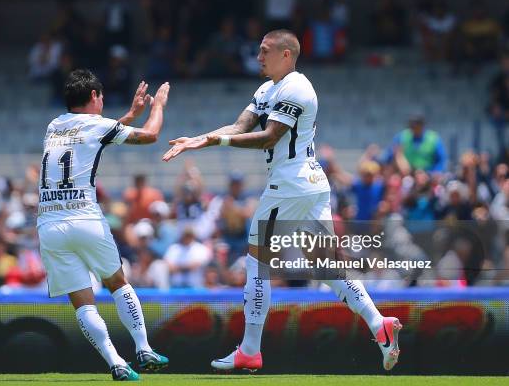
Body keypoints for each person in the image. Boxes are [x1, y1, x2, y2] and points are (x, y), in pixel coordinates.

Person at [163, 29, 401, 372]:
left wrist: (215, 143)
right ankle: (379, 324)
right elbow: (239, 125)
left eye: (264, 51)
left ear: (286, 54)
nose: (258, 57)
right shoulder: (266, 89)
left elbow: (268, 137)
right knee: (325, 266)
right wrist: (201, 139)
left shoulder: (297, 88)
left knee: (257, 259)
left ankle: (249, 350)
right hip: (311, 185)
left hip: (290, 183)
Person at [36, 69, 170, 381]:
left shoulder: (54, 126)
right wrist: (157, 107)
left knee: (81, 300)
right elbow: (149, 136)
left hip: (50, 224)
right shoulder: (97, 125)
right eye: (102, 97)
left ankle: (116, 363)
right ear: (95, 96)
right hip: (85, 217)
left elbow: (93, 136)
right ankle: (143, 347)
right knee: (117, 282)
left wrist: (128, 115)